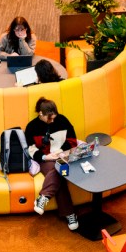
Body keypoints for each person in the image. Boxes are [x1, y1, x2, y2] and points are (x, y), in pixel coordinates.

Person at [25, 98, 79, 231]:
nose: (53, 121)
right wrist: (45, 156)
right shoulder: (32, 127)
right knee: (57, 170)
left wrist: (60, 151)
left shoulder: (62, 120)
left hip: (63, 155)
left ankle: (43, 197)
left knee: (59, 169)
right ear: (40, 114)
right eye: (50, 119)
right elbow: (30, 149)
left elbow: (72, 139)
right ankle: (70, 214)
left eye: (54, 117)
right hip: (45, 159)